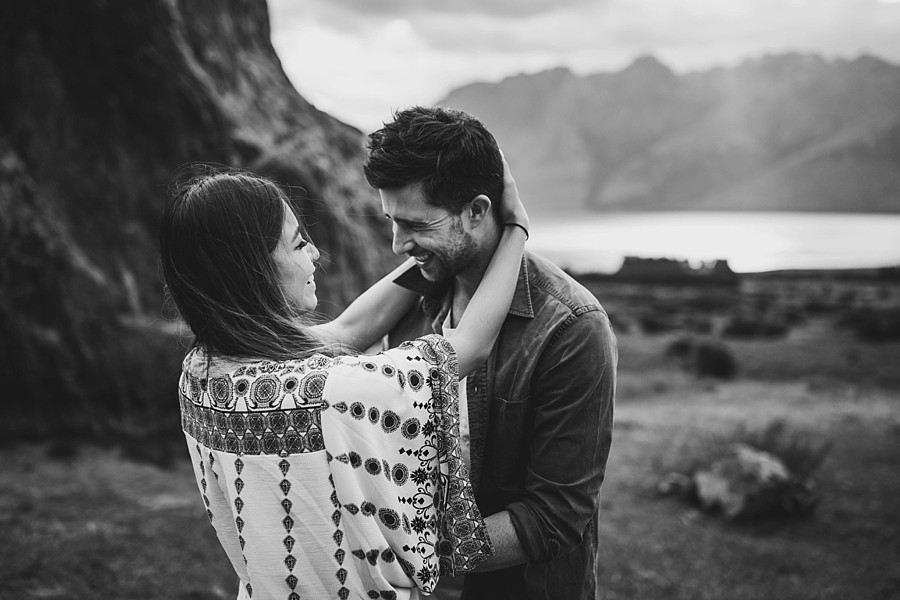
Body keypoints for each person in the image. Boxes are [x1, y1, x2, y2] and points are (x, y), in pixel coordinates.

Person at [158, 160, 529, 600]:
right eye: (298, 244)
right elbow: (467, 346)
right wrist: (515, 230)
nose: (314, 254)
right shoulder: (332, 392)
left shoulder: (201, 373)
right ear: (253, 267)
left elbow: (350, 330)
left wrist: (426, 255)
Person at [364, 106, 617, 600]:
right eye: (392, 222)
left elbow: (555, 517)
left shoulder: (571, 328)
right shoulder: (408, 302)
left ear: (478, 211)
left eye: (415, 224)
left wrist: (412, 553)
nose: (398, 245)